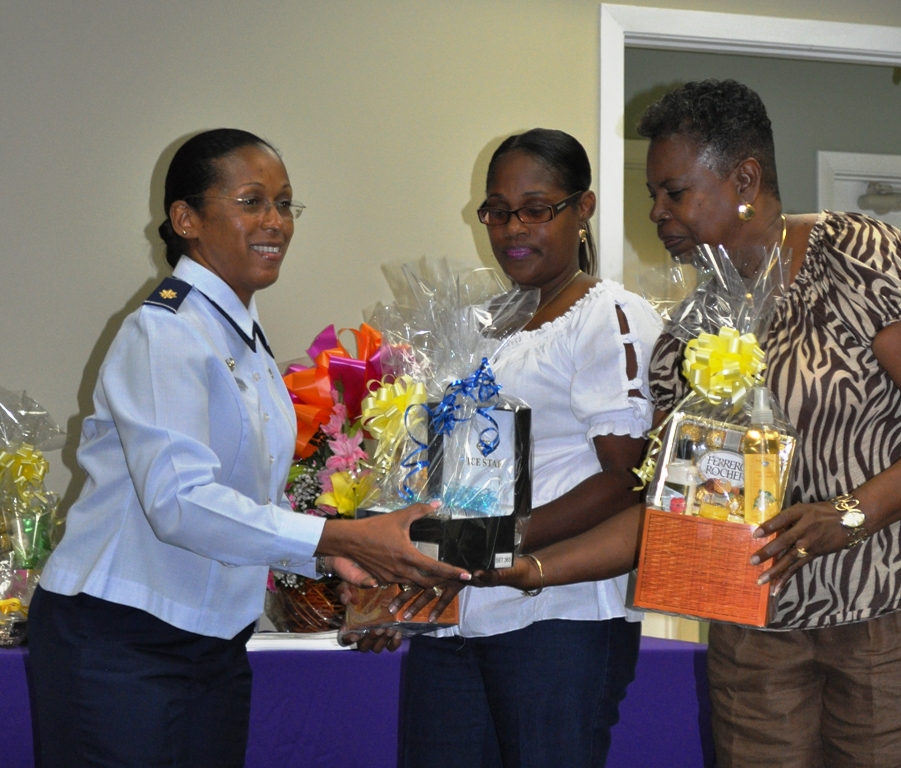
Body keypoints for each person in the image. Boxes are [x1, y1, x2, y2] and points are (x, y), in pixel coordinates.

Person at [482, 80, 901, 768]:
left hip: (881, 620)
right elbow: (665, 510)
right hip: (751, 641)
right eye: (654, 194)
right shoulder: (684, 334)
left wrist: (850, 514)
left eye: (673, 192)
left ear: (743, 178)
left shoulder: (858, 257)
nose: (655, 212)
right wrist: (534, 568)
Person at [27, 128, 470, 768]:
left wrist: (335, 563)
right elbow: (180, 503)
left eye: (286, 204)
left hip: (210, 643)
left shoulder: (243, 335)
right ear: (186, 220)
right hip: (120, 641)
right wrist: (341, 539)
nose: (276, 222)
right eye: (252, 201)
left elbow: (240, 504)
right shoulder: (166, 332)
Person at [395, 128, 662, 768]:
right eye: (497, 210)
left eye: (537, 209)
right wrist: (408, 562)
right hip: (458, 608)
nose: (514, 228)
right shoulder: (476, 324)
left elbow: (627, 477)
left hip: (558, 618)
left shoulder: (609, 315)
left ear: (583, 209)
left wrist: (508, 543)